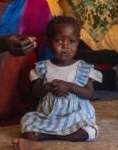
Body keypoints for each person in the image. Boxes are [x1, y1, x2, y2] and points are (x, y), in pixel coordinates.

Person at [12, 16, 102, 150]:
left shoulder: (83, 68)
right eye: (58, 40)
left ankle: (45, 136)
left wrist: (70, 86)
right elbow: (35, 94)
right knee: (27, 121)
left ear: (78, 41)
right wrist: (47, 87)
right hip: (48, 114)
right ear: (48, 42)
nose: (65, 46)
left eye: (72, 41)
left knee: (90, 131)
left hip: (75, 114)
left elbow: (89, 94)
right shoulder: (43, 67)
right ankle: (34, 140)